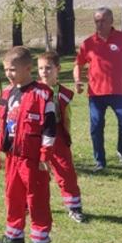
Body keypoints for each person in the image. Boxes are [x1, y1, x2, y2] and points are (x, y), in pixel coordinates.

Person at [0, 46, 57, 243]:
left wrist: (45, 155)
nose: (8, 74)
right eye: (6, 70)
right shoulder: (7, 92)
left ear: (28, 68)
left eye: (12, 69)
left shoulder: (43, 94)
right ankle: (14, 235)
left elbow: (50, 128)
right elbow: (1, 124)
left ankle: (40, 241)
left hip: (33, 159)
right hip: (13, 157)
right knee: (13, 196)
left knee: (36, 198)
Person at [73, 7, 122, 171]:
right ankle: (100, 161)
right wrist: (78, 80)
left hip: (119, 92)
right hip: (96, 94)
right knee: (96, 126)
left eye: (103, 21)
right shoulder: (88, 43)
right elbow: (78, 64)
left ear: (111, 21)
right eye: (97, 21)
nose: (99, 24)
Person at [37, 51, 85, 223]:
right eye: (41, 68)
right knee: (34, 172)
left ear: (57, 69)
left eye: (48, 68)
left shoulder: (63, 93)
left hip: (57, 136)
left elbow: (65, 117)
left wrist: (65, 136)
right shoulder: (33, 89)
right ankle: (30, 205)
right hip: (35, 136)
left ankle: (74, 207)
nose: (44, 71)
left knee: (65, 172)